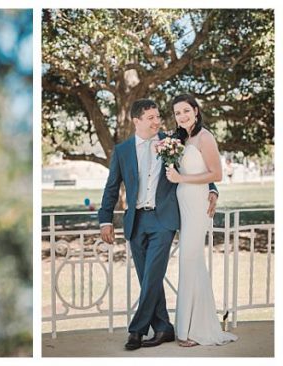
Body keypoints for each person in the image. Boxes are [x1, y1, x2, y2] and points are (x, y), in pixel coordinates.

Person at [97, 99, 218, 351]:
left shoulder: (172, 140)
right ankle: (163, 327)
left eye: (157, 116)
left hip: (163, 220)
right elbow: (111, 188)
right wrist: (105, 220)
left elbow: (200, 167)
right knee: (147, 278)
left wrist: (213, 189)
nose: (157, 121)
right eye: (150, 117)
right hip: (135, 221)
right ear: (136, 121)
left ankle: (136, 331)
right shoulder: (122, 151)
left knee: (152, 275)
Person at [165, 94, 237, 347]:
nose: (182, 116)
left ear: (195, 110)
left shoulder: (205, 137)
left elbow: (215, 173)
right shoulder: (180, 139)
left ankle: (190, 331)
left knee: (189, 260)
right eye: (177, 113)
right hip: (183, 201)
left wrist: (185, 181)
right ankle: (196, 325)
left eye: (186, 111)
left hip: (197, 202)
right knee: (193, 263)